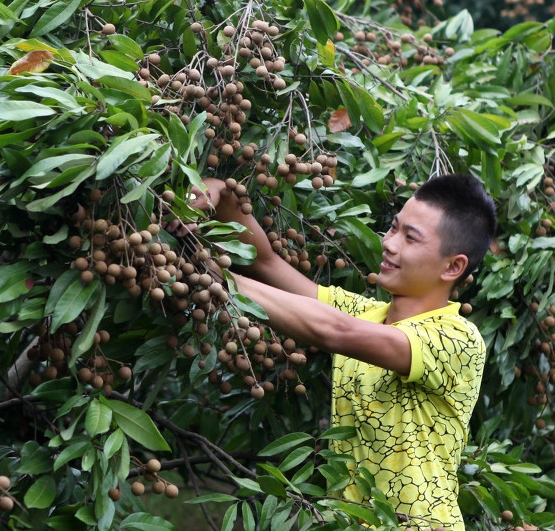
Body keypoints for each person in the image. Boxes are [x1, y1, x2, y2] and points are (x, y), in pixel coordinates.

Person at [189, 173, 496, 531]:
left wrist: (217, 278)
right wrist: (218, 192)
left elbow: (336, 331)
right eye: (393, 228)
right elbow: (266, 263)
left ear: (453, 266)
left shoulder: (458, 339)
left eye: (410, 238)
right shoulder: (365, 314)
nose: (389, 243)